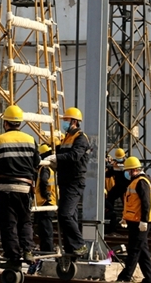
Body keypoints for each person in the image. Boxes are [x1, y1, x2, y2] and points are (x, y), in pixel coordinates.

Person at [0, 105, 41, 270]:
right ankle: (28, 250)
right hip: (25, 188)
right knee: (25, 221)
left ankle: (14, 257)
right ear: (19, 123)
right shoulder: (30, 140)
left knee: (9, 223)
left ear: (6, 123)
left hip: (7, 188)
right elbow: (36, 162)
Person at [47, 106, 89, 257]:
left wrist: (56, 159)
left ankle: (79, 245)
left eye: (66, 120)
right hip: (65, 181)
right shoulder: (66, 137)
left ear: (74, 121)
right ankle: (71, 249)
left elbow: (74, 156)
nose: (64, 122)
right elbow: (61, 154)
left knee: (65, 214)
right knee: (69, 216)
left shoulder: (80, 138)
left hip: (74, 182)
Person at [117, 156, 151, 283]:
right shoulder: (136, 182)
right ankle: (149, 279)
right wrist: (125, 217)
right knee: (142, 251)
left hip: (140, 222)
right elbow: (132, 203)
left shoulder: (141, 182)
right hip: (135, 221)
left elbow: (146, 203)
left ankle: (124, 277)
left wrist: (144, 220)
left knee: (134, 250)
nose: (127, 174)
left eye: (128, 171)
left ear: (134, 170)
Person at [34, 143, 57, 252]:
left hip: (45, 202)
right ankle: (46, 250)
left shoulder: (45, 168)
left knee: (45, 230)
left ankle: (47, 251)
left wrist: (45, 195)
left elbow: (44, 181)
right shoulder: (52, 168)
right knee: (44, 229)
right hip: (50, 201)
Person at [105, 148, 128, 228]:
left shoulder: (127, 163)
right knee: (109, 198)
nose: (119, 159)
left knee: (127, 204)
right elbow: (109, 173)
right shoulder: (115, 164)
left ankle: (126, 220)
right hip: (118, 186)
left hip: (126, 188)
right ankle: (110, 216)